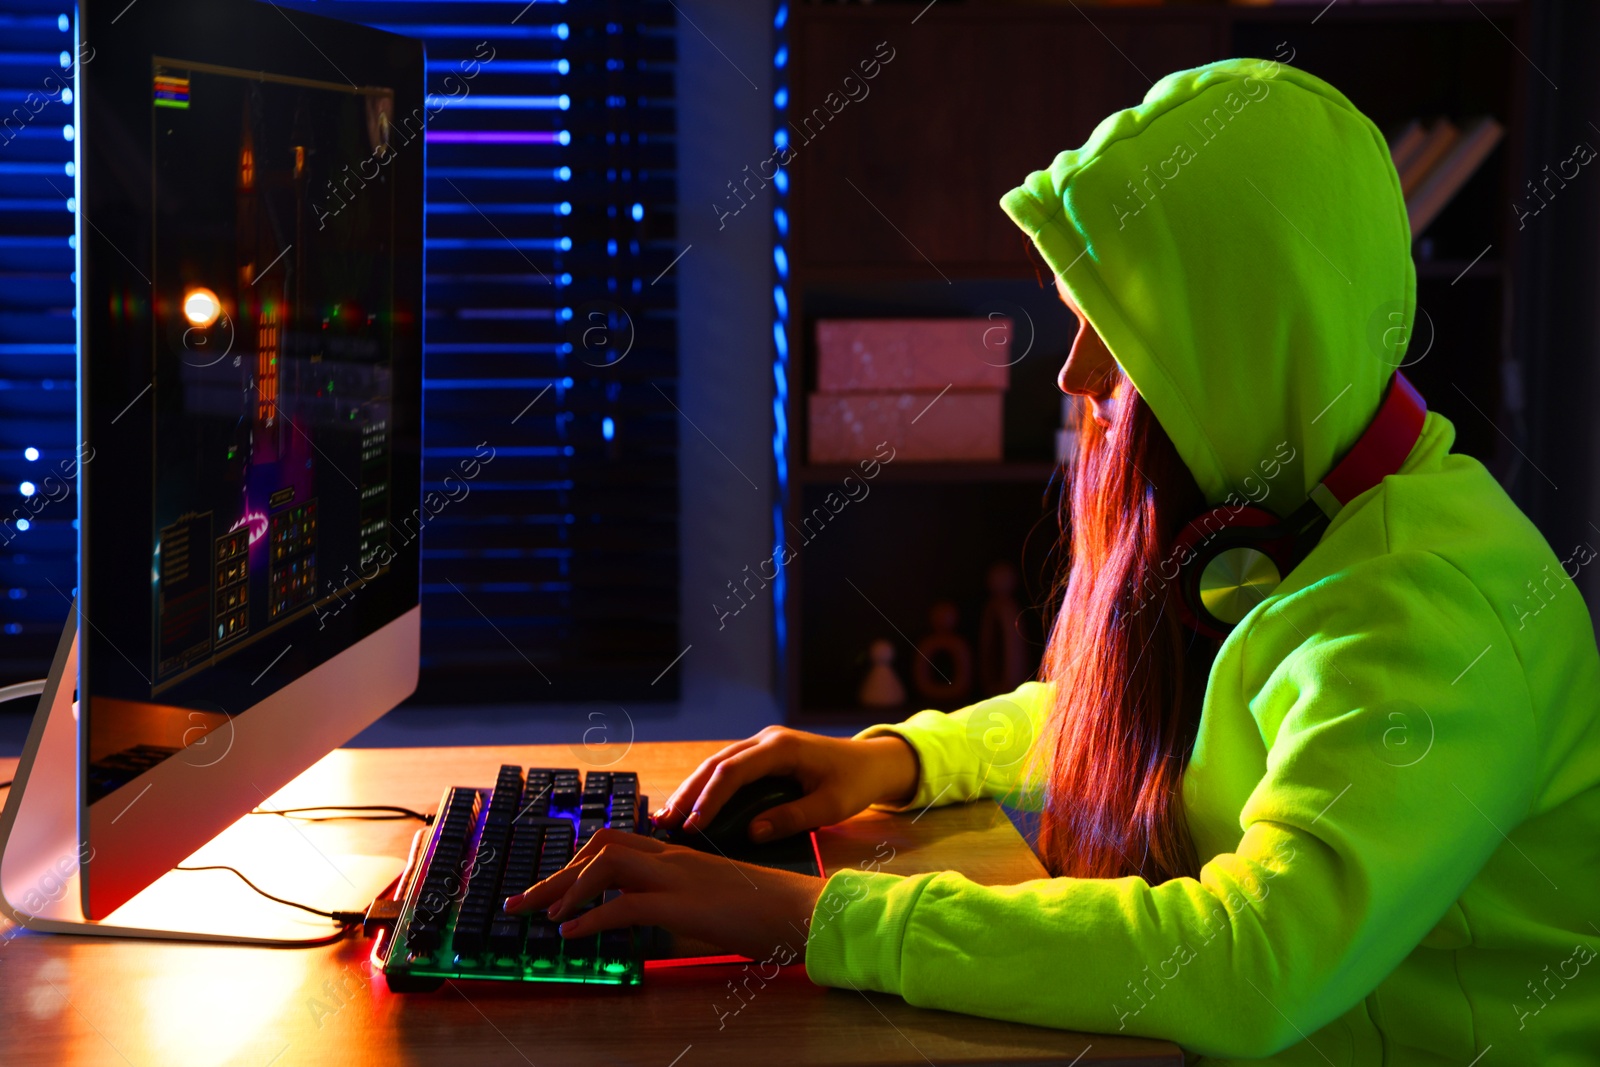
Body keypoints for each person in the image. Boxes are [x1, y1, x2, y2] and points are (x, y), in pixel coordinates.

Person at [506, 58, 1600, 1064]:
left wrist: (801, 913)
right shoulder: (1301, 501)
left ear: (1243, 340)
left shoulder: (1426, 612)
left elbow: (1250, 959)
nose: (1073, 374)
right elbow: (1150, 710)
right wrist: (897, 759)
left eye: (1113, 336)